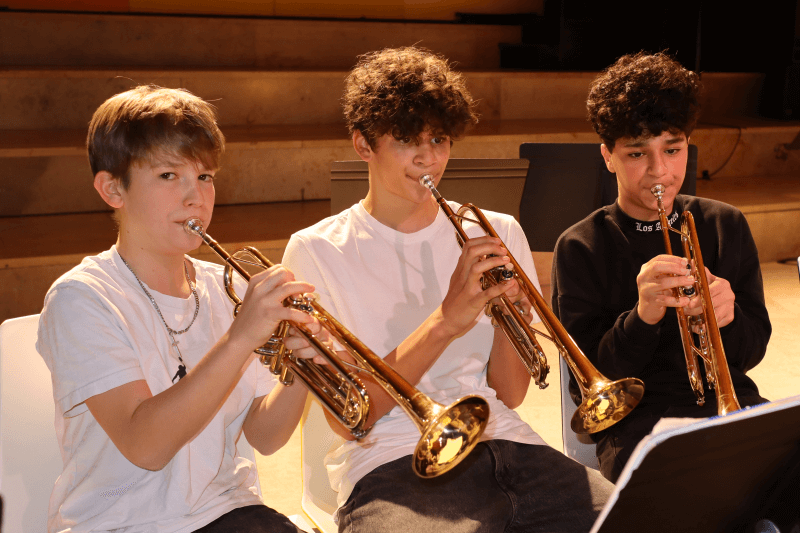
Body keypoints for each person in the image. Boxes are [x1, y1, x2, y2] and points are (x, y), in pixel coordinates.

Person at [282, 46, 614, 533]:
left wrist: (509, 319)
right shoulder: (316, 251)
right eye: (406, 140)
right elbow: (351, 419)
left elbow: (509, 393)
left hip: (509, 444)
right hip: (392, 461)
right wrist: (445, 321)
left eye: (439, 139)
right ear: (363, 145)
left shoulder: (495, 231)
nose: (429, 158)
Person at [37, 85, 323, 532]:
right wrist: (240, 338)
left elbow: (265, 437)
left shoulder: (225, 288)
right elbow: (145, 447)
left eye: (205, 177)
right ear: (112, 189)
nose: (196, 198)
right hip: (122, 522)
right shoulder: (81, 298)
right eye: (169, 175)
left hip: (229, 511)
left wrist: (303, 369)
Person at [551, 52, 772, 484]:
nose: (660, 171)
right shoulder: (580, 245)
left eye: (673, 150)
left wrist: (727, 318)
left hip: (731, 408)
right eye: (637, 153)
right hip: (636, 426)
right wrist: (642, 317)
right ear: (608, 156)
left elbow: (751, 354)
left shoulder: (724, 224)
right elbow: (587, 387)